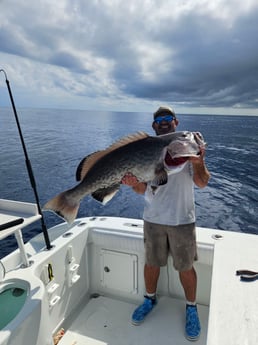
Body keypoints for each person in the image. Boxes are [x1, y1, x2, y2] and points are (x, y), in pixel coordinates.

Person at [121, 106, 210, 341]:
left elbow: (202, 183)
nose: (163, 121)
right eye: (159, 119)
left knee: (186, 267)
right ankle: (149, 299)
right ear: (153, 125)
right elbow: (143, 189)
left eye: (168, 118)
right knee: (152, 263)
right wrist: (132, 183)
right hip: (153, 218)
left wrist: (199, 161)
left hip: (182, 219)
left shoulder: (185, 146)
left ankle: (191, 308)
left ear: (175, 122)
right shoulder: (146, 150)